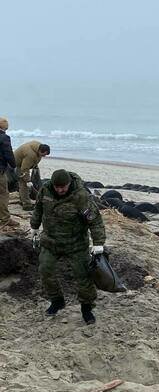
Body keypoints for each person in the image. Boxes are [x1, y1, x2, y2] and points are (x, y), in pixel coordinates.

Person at [30, 169, 106, 324]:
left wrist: (98, 244)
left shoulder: (81, 196)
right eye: (57, 187)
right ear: (53, 184)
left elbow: (95, 221)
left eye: (63, 187)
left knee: (83, 276)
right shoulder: (45, 190)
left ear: (69, 184)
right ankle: (57, 301)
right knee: (45, 270)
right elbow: (38, 208)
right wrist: (34, 227)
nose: (60, 190)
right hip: (50, 241)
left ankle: (87, 308)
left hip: (76, 244)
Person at [14, 141, 51, 210]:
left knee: (25, 183)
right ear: (40, 151)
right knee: (24, 185)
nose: (44, 156)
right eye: (43, 155)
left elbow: (35, 159)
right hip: (17, 165)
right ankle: (26, 205)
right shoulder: (30, 154)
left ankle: (23, 199)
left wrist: (35, 167)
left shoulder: (38, 146)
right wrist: (28, 180)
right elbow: (24, 169)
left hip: (25, 164)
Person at [0, 117, 19, 229]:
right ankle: (5, 219)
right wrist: (14, 165)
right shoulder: (4, 138)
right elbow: (8, 154)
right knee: (3, 194)